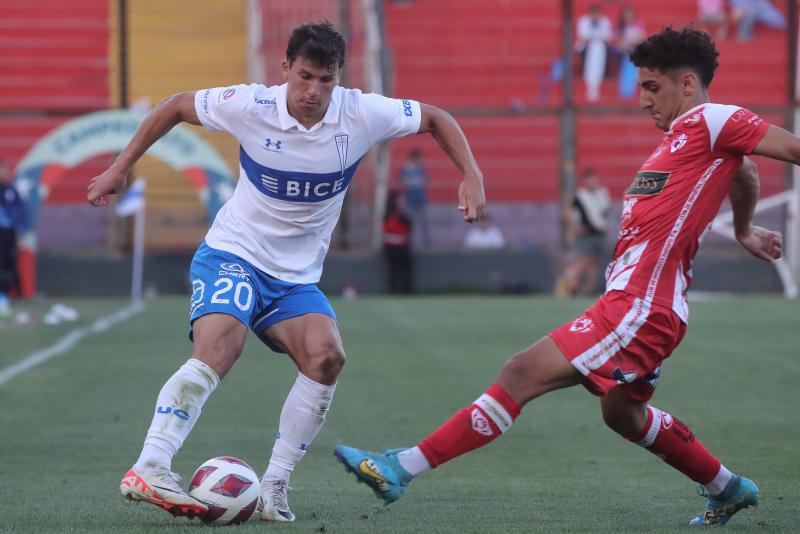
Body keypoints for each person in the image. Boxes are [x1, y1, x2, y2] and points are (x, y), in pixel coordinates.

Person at [334, 27, 795, 527]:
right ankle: (728, 488)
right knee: (623, 416)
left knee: (519, 374)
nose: (643, 100)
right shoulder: (690, 140)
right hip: (641, 305)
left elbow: (788, 150)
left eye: (652, 87)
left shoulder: (714, 118)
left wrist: (744, 226)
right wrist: (745, 229)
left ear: (687, 83)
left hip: (641, 306)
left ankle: (401, 468)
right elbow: (744, 173)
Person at [88, 21, 485, 522]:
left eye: (326, 80)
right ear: (285, 70)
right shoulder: (250, 105)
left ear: (338, 78)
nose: (314, 91)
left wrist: (471, 173)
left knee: (327, 357)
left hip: (293, 279)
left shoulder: (362, 112)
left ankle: (274, 486)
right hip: (233, 254)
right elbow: (175, 106)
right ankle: (151, 465)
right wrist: (122, 166)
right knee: (220, 348)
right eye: (304, 77)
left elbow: (436, 117)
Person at [561, 169, 611, 296]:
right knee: (584, 260)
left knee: (594, 261)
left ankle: (589, 288)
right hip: (586, 233)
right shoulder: (580, 196)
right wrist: (575, 227)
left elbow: (605, 213)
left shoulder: (602, 193)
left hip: (599, 232)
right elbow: (567, 212)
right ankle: (572, 285)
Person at [0, 160, 25, 318]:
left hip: (9, 233)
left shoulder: (12, 191)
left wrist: (20, 231)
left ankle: (6, 295)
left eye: (5, 170)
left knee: (10, 263)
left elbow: (20, 211)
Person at [576, 4, 614, 102]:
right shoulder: (584, 20)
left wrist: (596, 37)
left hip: (602, 48)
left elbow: (608, 36)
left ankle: (597, 79)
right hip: (585, 47)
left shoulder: (605, 21)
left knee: (598, 47)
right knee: (595, 46)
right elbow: (583, 36)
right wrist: (596, 36)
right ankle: (591, 82)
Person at [398, 148, 432, 247]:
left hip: (421, 199)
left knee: (424, 221)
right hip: (410, 199)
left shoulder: (421, 168)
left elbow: (426, 180)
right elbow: (402, 182)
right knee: (410, 222)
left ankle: (427, 242)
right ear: (413, 158)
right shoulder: (406, 169)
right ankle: (409, 241)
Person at [382, 190, 413, 294]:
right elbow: (409, 226)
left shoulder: (387, 214)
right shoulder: (398, 215)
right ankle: (405, 289)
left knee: (393, 269)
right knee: (404, 269)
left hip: (389, 247)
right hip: (401, 247)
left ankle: (393, 289)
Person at [616, 6, 645, 101]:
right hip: (625, 53)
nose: (629, 17)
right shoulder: (621, 28)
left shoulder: (639, 25)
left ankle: (633, 89)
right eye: (626, 16)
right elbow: (619, 44)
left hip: (637, 52)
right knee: (628, 65)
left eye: (630, 15)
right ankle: (626, 92)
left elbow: (642, 39)